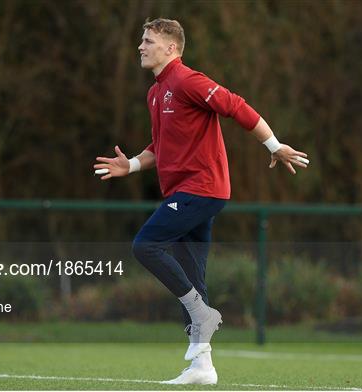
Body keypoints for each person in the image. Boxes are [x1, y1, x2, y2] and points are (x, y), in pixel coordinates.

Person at [94, 18, 308, 385]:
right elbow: (159, 149)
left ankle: (201, 313)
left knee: (146, 245)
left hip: (202, 188)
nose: (141, 47)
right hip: (185, 191)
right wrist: (130, 165)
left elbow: (235, 105)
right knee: (194, 276)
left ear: (171, 48)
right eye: (141, 41)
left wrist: (274, 145)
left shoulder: (188, 80)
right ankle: (202, 367)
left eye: (148, 41)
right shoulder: (155, 93)